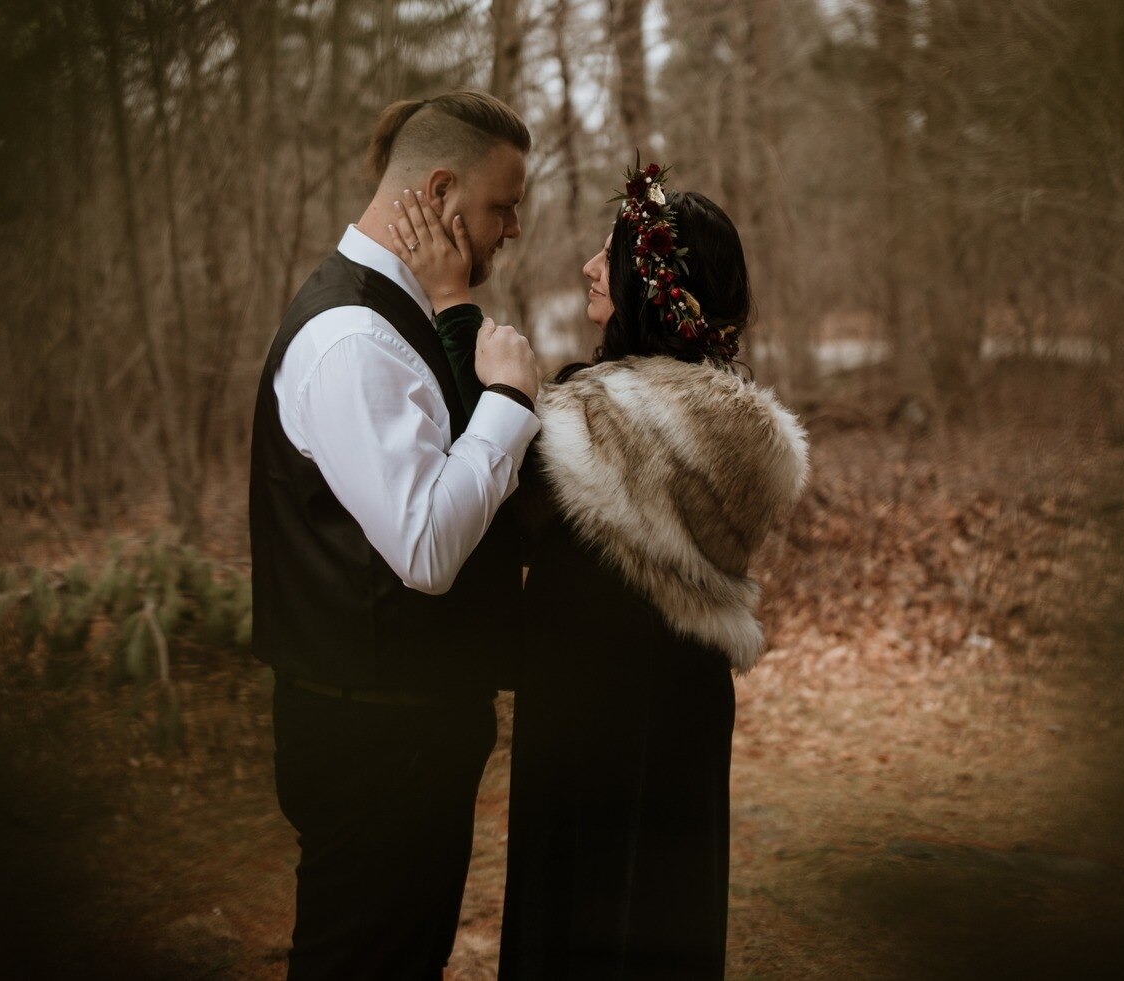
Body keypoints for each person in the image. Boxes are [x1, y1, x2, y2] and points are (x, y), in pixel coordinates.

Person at [390, 160, 809, 980]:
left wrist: (452, 309)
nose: (589, 264)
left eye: (609, 252)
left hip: (588, 706)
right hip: (685, 700)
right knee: (665, 909)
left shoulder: (597, 416)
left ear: (653, 284)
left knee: (576, 911)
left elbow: (485, 500)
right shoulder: (737, 427)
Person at [248, 90, 545, 981]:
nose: (512, 229)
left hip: (405, 740)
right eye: (502, 206)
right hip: (375, 750)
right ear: (444, 190)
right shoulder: (353, 338)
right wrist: (509, 404)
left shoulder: (398, 315)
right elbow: (424, 549)